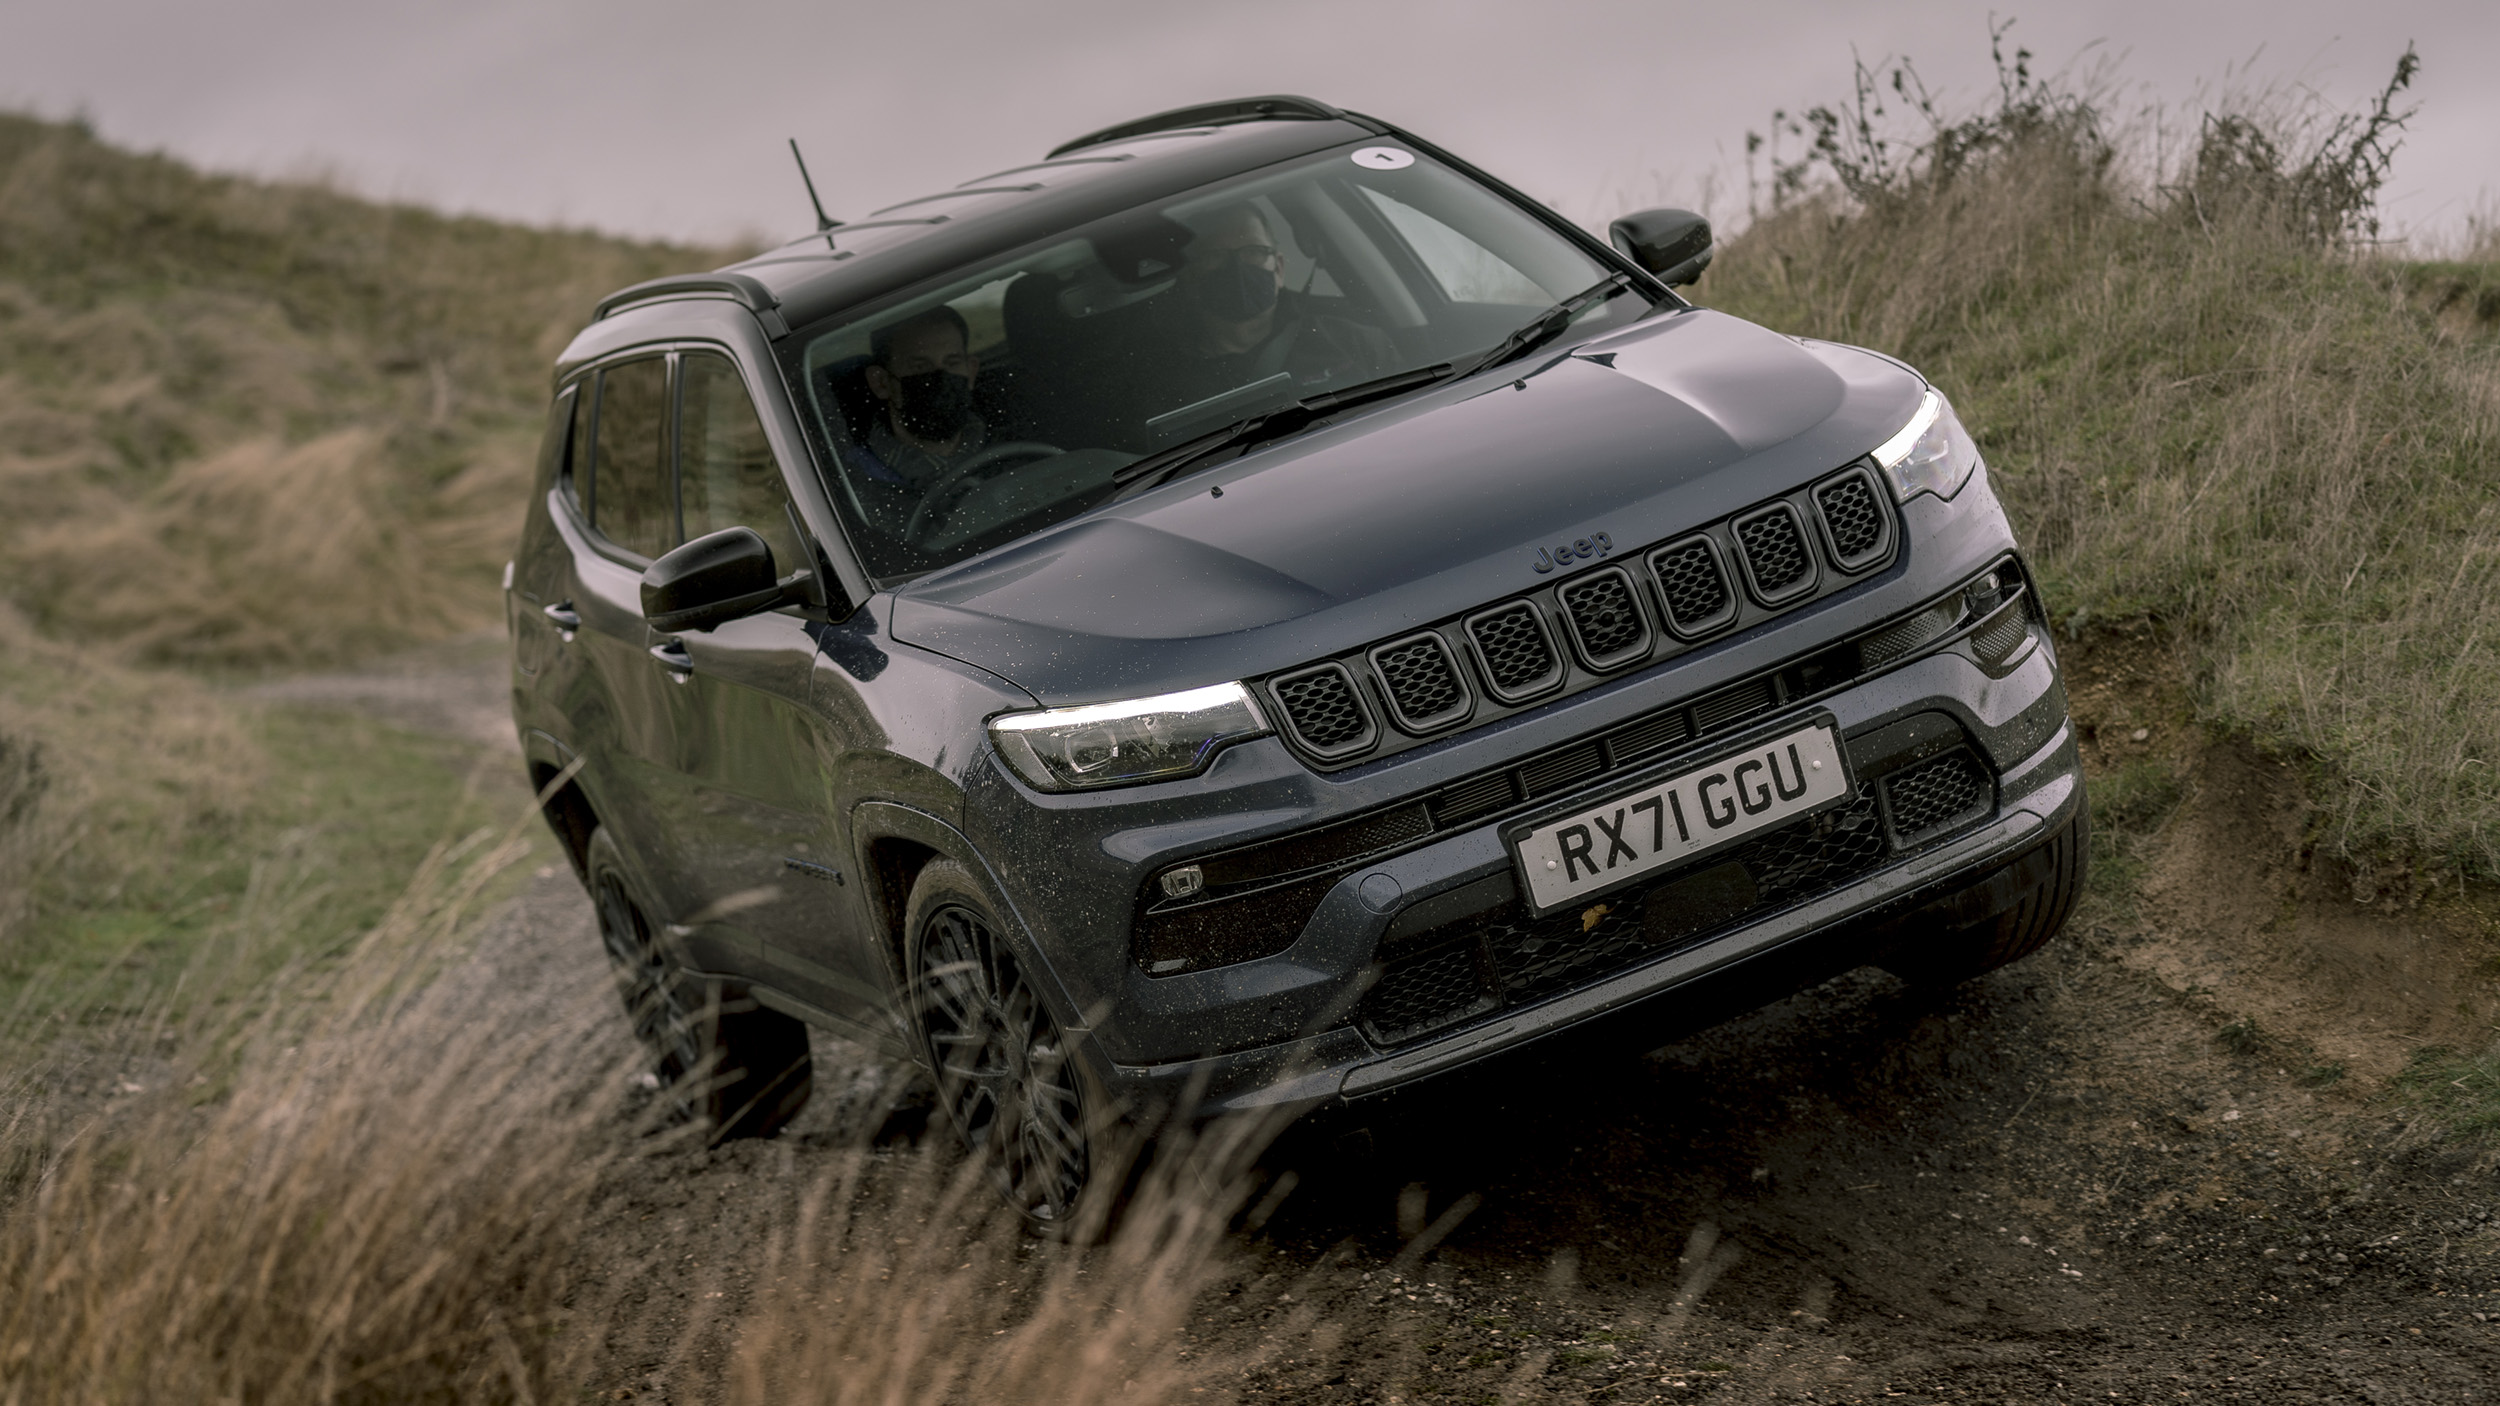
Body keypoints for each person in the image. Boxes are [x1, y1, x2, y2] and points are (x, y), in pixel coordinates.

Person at [1159, 203, 1394, 407]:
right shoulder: (1161, 378)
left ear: (1279, 268)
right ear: (1189, 278)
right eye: (1215, 256)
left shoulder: (1352, 341)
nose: (1236, 267)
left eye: (1254, 251)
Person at [855, 305, 990, 492]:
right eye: (920, 366)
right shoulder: (859, 484)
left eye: (952, 362)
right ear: (881, 383)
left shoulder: (1014, 442)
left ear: (971, 371)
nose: (940, 378)